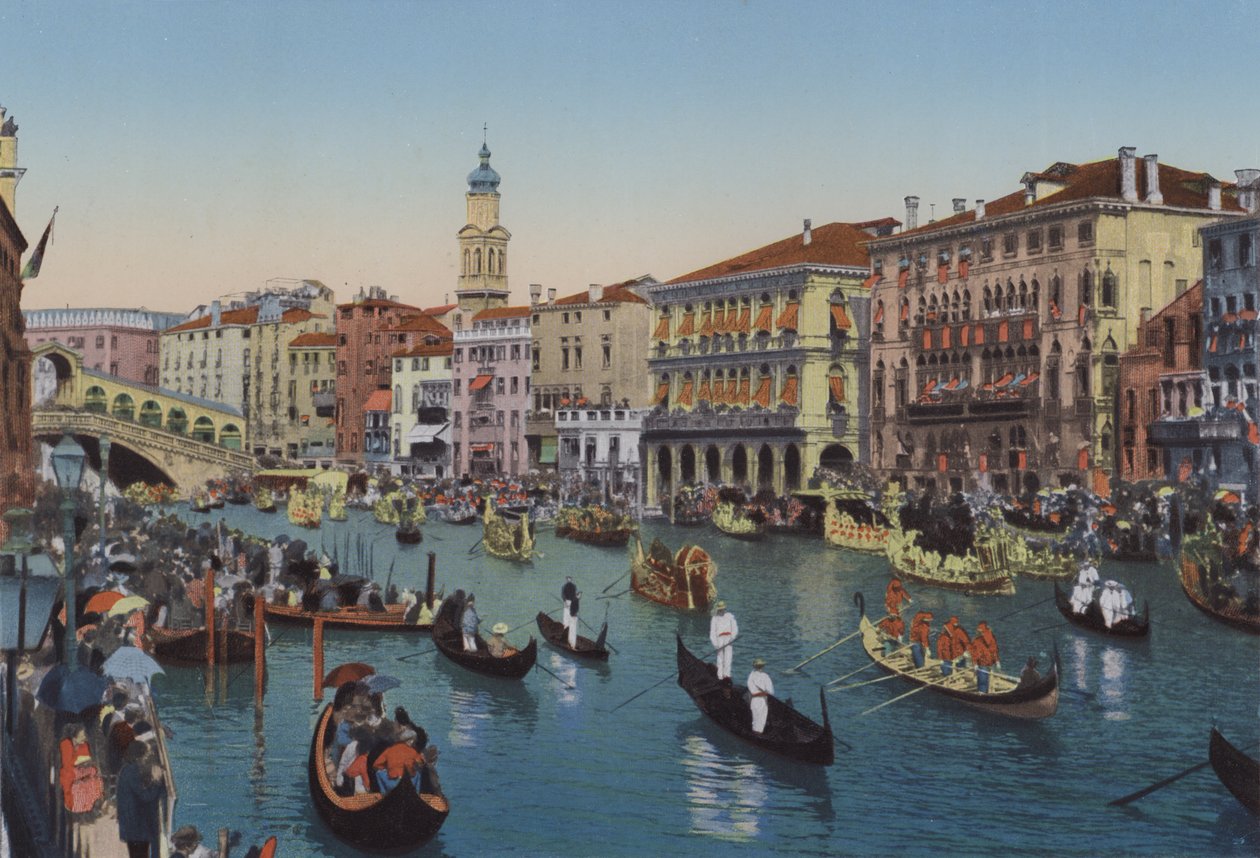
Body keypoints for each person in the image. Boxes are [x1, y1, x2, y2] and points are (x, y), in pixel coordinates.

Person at [116, 741, 167, 858]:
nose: (148, 757)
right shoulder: (132, 771)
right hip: (136, 827)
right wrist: (157, 781)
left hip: (132, 825)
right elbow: (146, 796)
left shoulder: (127, 769)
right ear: (140, 755)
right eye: (147, 754)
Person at [59, 724, 104, 814]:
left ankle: (92, 804)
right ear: (74, 737)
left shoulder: (84, 744)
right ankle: (78, 805)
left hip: (83, 770)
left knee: (95, 776)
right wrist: (78, 763)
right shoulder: (65, 744)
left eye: (84, 735)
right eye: (81, 735)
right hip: (70, 771)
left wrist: (86, 764)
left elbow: (86, 757)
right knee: (76, 781)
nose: (84, 737)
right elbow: (67, 764)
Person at [373, 728, 428, 793]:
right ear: (411, 740)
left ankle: (384, 794)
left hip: (392, 784)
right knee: (418, 773)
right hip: (408, 784)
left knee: (378, 773)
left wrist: (387, 768)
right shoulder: (412, 751)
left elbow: (376, 764)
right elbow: (421, 763)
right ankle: (416, 794)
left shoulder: (389, 750)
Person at [709, 600, 738, 681]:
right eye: (720, 609)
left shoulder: (730, 616)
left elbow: (735, 628)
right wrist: (715, 644)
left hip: (728, 638)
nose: (722, 610)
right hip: (719, 639)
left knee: (728, 657)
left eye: (723, 608)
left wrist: (732, 638)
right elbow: (712, 632)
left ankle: (727, 675)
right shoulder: (714, 618)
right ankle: (720, 676)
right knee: (720, 658)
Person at [969, 621, 999, 693]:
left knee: (987, 679)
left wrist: (997, 661)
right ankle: (982, 692)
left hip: (990, 663)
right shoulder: (977, 641)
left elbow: (994, 650)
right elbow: (975, 653)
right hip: (983, 663)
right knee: (982, 680)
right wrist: (975, 663)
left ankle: (986, 691)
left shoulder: (990, 638)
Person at [746, 657, 774, 734]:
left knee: (758, 721)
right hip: (761, 700)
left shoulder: (751, 676)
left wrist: (764, 693)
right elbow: (770, 691)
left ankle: (756, 734)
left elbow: (753, 691)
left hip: (758, 700)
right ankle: (757, 734)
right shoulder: (765, 676)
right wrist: (765, 693)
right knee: (759, 721)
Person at [561, 576, 577, 641]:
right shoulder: (566, 586)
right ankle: (566, 633)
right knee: (567, 618)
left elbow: (563, 595)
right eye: (568, 579)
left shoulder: (572, 586)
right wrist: (565, 602)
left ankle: (568, 635)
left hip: (570, 602)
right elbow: (563, 595)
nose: (569, 580)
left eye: (570, 579)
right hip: (568, 602)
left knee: (567, 618)